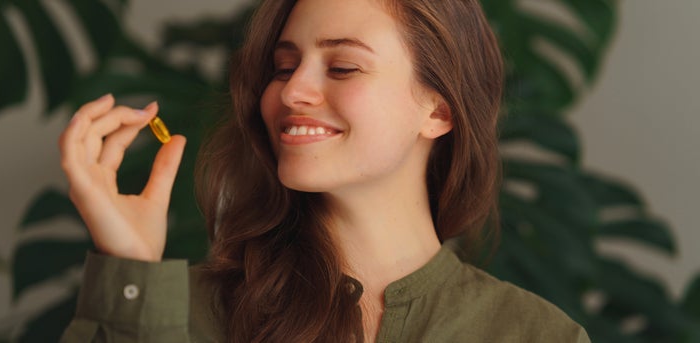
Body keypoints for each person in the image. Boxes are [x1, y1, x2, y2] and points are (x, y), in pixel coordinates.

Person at [59, 0, 590, 342]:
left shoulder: (535, 334)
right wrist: (128, 269)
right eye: (284, 67)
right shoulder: (185, 313)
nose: (291, 92)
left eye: (342, 67)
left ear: (439, 110)